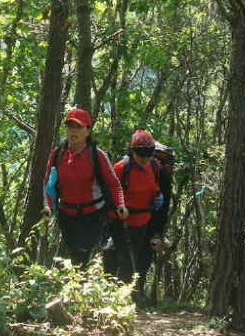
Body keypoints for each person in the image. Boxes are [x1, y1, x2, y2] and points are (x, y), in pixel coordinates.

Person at [43, 108, 127, 266]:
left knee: (83, 256)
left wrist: (120, 204)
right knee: (73, 256)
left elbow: (114, 184)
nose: (73, 131)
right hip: (66, 216)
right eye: (69, 127)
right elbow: (48, 182)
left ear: (88, 131)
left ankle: (83, 287)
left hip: (93, 216)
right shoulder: (57, 154)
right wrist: (47, 206)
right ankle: (75, 285)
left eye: (78, 127)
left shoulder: (97, 155)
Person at [104, 129, 164, 307]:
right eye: (140, 152)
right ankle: (110, 297)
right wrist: (118, 209)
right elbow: (108, 192)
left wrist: (158, 196)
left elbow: (155, 188)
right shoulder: (121, 168)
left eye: (149, 152)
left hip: (142, 222)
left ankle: (127, 300)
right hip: (119, 221)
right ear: (132, 150)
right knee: (113, 255)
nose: (144, 157)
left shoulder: (154, 167)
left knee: (131, 260)